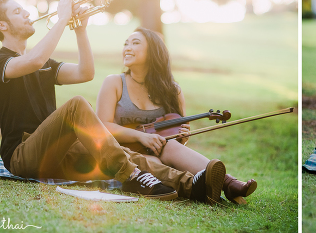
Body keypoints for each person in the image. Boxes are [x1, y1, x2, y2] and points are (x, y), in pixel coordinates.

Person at [0, 0, 225, 203]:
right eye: (17, 11)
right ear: (2, 25)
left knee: (126, 154)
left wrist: (80, 30)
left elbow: (85, 72)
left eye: (24, 9)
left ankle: (192, 186)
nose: (26, 13)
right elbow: (32, 61)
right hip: (22, 156)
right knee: (77, 105)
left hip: (56, 154)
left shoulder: (43, 64)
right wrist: (62, 18)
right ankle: (130, 176)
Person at [95, 27, 257, 204]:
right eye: (125, 43)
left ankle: (229, 183)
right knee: (150, 160)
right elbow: (102, 126)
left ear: (153, 51)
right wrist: (141, 136)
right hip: (122, 153)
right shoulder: (114, 82)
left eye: (135, 43)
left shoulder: (172, 90)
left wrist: (183, 137)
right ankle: (199, 188)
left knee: (170, 147)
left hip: (159, 153)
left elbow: (176, 135)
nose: (127, 47)